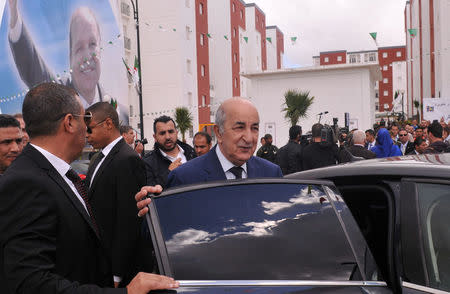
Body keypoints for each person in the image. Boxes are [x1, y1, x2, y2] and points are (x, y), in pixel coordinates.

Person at [0, 83, 178, 293]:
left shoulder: (56, 174)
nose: (87, 128)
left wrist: (144, 205)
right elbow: (31, 283)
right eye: (85, 119)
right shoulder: (25, 182)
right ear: (69, 123)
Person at [7, 0, 128, 122]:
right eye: (79, 48)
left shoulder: (121, 114)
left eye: (92, 44)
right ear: (71, 56)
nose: (87, 55)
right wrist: (14, 17)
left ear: (100, 47)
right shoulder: (58, 96)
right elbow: (33, 66)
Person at [85, 102, 148, 287]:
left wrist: (117, 273)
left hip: (119, 269)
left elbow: (128, 220)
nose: (87, 136)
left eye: (90, 130)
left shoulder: (127, 159)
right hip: (100, 262)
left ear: (108, 124)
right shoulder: (99, 158)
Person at [166, 98, 282, 188]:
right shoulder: (184, 178)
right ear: (218, 132)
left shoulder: (271, 173)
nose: (249, 138)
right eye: (239, 128)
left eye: (254, 128)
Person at [143, 115, 196, 188]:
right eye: (162, 133)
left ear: (176, 133)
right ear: (155, 137)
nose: (167, 137)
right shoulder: (147, 162)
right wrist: (169, 173)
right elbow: (149, 192)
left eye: (171, 132)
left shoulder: (191, 152)